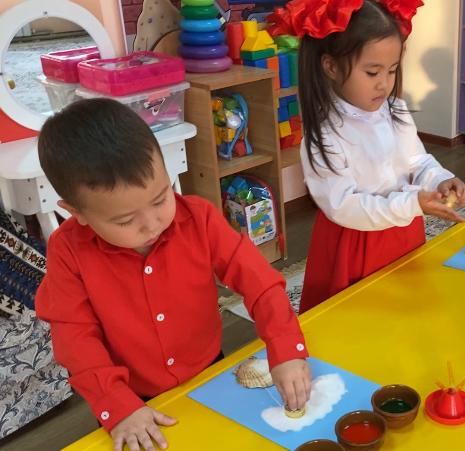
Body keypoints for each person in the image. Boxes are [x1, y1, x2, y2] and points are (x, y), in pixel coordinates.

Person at [35, 99, 311, 451]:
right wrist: (117, 406)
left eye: (160, 198)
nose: (151, 224)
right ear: (77, 212)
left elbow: (259, 280)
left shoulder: (198, 218)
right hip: (129, 398)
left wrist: (286, 347)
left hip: (209, 369)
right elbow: (74, 337)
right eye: (125, 220)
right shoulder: (67, 250)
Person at [269, 0, 465, 313]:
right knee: (357, 316)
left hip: (403, 231)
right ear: (331, 67)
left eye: (392, 70)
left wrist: (441, 180)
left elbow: (417, 162)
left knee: (404, 308)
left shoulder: (394, 110)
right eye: (372, 72)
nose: (384, 83)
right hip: (356, 244)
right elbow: (344, 206)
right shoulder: (325, 136)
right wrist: (411, 204)